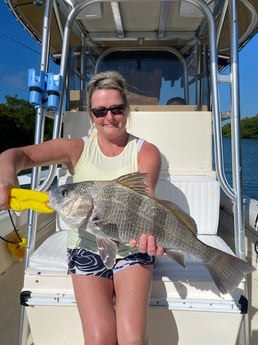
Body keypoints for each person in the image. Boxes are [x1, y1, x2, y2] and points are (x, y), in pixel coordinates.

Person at [0, 71, 164, 345]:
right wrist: (6, 177)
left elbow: (144, 200)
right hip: (86, 246)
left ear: (127, 109)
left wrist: (149, 233)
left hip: (131, 247)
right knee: (99, 339)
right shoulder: (76, 148)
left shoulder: (146, 151)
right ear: (91, 114)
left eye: (116, 109)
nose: (109, 117)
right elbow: (17, 155)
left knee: (132, 338)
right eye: (100, 111)